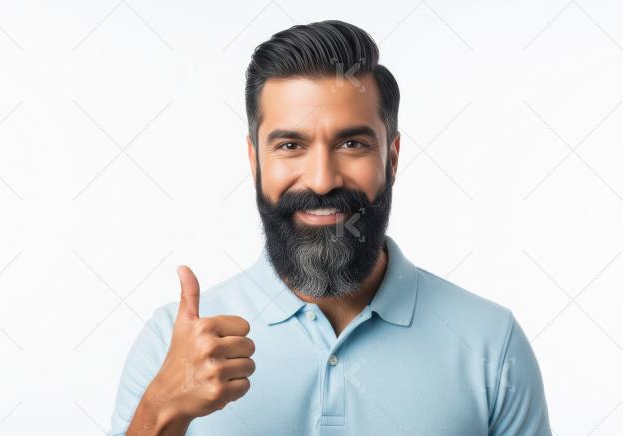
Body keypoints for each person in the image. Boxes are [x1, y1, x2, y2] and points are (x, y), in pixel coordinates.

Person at [109, 19, 551, 435]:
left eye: (351, 143)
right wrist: (160, 411)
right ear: (254, 160)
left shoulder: (491, 344)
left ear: (392, 158)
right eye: (290, 145)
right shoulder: (172, 343)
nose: (321, 180)